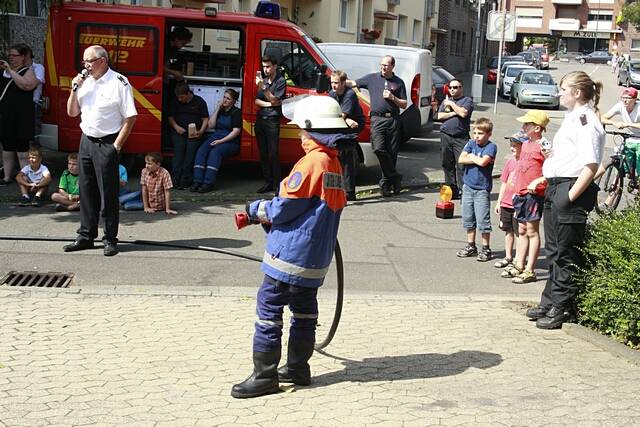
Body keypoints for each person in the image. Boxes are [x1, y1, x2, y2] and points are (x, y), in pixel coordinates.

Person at [231, 96, 348, 399]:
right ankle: (298, 368)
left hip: (290, 255)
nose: (299, 134)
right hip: (315, 258)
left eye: (301, 130)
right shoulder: (335, 163)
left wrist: (256, 210)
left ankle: (265, 376)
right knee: (305, 311)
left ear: (312, 129)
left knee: (269, 308)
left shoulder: (312, 162)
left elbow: (285, 208)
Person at [528, 71, 605, 330]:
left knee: (565, 253)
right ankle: (550, 302)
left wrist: (569, 197)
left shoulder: (586, 120)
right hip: (556, 185)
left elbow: (591, 164)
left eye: (563, 89)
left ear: (577, 93)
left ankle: (562, 308)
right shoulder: (573, 118)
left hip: (568, 189)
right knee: (554, 251)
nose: (559, 93)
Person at [63, 45, 137, 257]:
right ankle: (86, 236)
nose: (85, 66)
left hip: (108, 142)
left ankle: (110, 238)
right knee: (86, 191)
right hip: (86, 140)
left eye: (90, 61)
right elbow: (71, 112)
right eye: (84, 61)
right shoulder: (84, 82)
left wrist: (117, 146)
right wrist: (74, 88)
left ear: (103, 61)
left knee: (108, 194)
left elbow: (130, 117)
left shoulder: (119, 82)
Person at [347, 55, 406, 197]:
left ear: (393, 66)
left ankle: (386, 185)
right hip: (377, 119)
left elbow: (404, 104)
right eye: (382, 65)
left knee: (392, 154)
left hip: (393, 120)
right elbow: (354, 83)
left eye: (386, 65)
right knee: (378, 149)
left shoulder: (398, 82)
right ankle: (395, 177)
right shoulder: (372, 78)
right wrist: (339, 80)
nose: (383, 67)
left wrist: (393, 98)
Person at [502, 111, 550, 284]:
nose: (523, 127)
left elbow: (553, 167)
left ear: (537, 128)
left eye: (526, 124)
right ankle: (519, 264)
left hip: (534, 195)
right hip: (521, 193)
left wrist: (540, 180)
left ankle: (530, 269)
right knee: (521, 230)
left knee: (532, 231)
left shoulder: (543, 144)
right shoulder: (526, 144)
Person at [455, 117, 497, 262]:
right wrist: (474, 158)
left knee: (482, 220)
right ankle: (471, 245)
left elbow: (484, 162)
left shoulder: (491, 147)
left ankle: (486, 248)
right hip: (468, 186)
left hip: (481, 190)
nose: (476, 136)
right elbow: (461, 159)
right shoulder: (471, 143)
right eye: (474, 132)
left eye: (480, 133)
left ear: (488, 134)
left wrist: (471, 156)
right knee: (468, 217)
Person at [0, 43, 39, 185]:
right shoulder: (2, 72)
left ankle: (25, 178)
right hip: (6, 116)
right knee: (7, 147)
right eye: (10, 55)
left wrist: (11, 71)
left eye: (15, 55)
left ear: (23, 57)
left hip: (22, 117)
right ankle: (6, 177)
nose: (11, 58)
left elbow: (27, 85)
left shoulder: (27, 71)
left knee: (22, 149)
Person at [190, 88, 242, 193]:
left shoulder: (236, 112)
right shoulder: (221, 110)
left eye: (228, 98)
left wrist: (221, 141)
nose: (225, 100)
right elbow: (211, 125)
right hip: (216, 136)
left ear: (234, 101)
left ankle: (208, 183)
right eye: (224, 97)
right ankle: (197, 181)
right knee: (201, 150)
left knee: (215, 152)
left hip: (230, 141)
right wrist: (218, 108)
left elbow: (236, 132)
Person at [329, 69, 364, 201]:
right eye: (332, 82)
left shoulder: (350, 95)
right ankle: (336, 189)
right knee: (334, 160)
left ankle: (349, 192)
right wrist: (346, 119)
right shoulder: (332, 94)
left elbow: (341, 115)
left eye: (336, 83)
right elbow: (330, 112)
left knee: (346, 159)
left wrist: (346, 118)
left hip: (351, 131)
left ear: (344, 83)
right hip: (341, 126)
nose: (333, 85)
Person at [437, 79, 474, 200]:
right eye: (450, 87)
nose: (452, 89)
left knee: (461, 165)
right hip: (446, 135)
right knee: (447, 163)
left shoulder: (467, 100)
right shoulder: (445, 101)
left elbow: (463, 113)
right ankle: (451, 190)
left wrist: (452, 105)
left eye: (455, 87)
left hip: (460, 137)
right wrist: (454, 113)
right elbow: (439, 116)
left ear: (461, 88)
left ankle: (464, 191)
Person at [168, 81, 209, 189]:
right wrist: (176, 127)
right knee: (178, 153)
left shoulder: (199, 101)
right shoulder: (175, 102)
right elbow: (170, 118)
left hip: (194, 132)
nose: (179, 99)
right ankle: (175, 179)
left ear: (188, 94)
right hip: (179, 131)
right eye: (178, 97)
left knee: (190, 155)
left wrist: (201, 131)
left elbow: (205, 119)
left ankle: (186, 179)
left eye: (182, 97)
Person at [254, 54, 286, 194]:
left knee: (273, 153)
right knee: (263, 153)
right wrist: (270, 103)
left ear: (275, 66)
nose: (265, 69)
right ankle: (268, 182)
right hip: (261, 119)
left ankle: (278, 184)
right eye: (264, 67)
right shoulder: (264, 80)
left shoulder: (280, 81)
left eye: (268, 66)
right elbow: (257, 101)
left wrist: (264, 88)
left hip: (272, 120)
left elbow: (275, 100)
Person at [600, 87, 640, 190]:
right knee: (625, 163)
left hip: (639, 138)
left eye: (628, 98)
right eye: (623, 97)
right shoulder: (620, 106)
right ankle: (626, 179)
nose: (625, 100)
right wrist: (614, 122)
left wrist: (627, 124)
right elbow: (603, 118)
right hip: (629, 138)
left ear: (635, 99)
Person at [493, 132, 523, 270]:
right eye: (511, 145)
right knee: (508, 230)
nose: (512, 148)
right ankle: (508, 256)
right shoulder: (510, 162)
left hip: (519, 203)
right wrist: (499, 201)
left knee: (519, 232)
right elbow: (504, 183)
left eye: (515, 146)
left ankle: (518, 258)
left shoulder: (525, 163)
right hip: (506, 203)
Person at [24, 45, 45, 139]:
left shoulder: (38, 68)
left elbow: (33, 84)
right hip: (18, 104)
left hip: (33, 103)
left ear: (27, 55)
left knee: (32, 134)